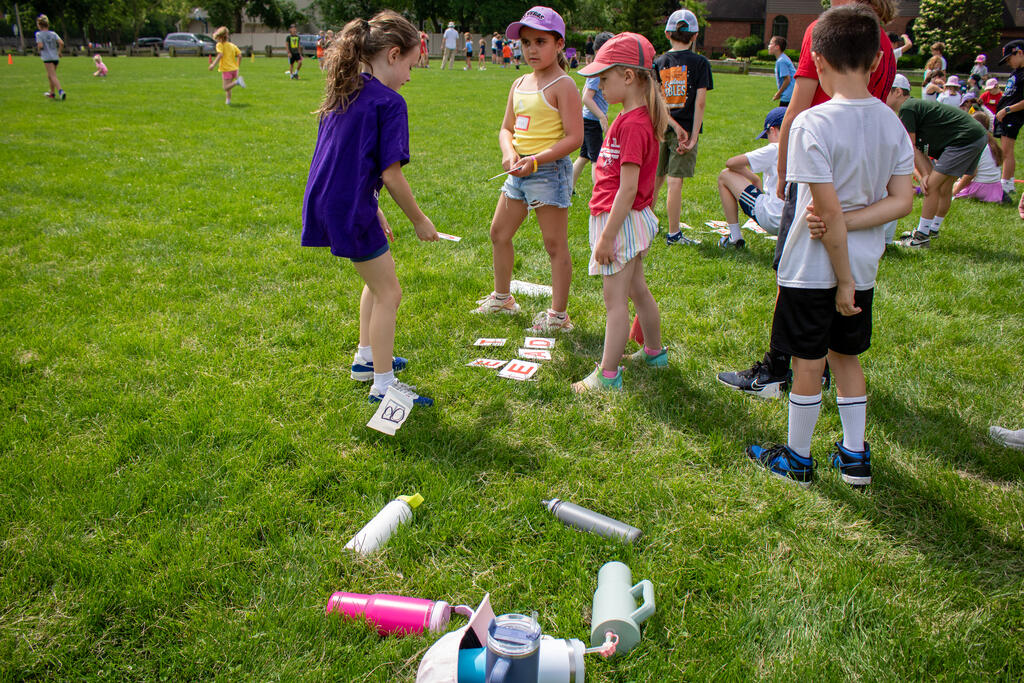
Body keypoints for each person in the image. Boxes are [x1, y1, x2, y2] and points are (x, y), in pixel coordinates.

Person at [746, 5, 914, 489]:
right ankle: (855, 457)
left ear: (817, 61)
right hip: (863, 266)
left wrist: (842, 278)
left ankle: (798, 460)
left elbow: (827, 214)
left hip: (814, 270)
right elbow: (902, 201)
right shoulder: (891, 123)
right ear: (878, 62)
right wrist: (852, 230)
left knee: (808, 362)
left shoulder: (811, 124)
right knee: (847, 356)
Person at [718, 0, 898, 400]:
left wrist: (784, 170)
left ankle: (778, 371)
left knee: (794, 275)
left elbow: (796, 109)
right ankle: (821, 369)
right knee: (843, 287)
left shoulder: (825, 29)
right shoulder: (880, 38)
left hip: (817, 173)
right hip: (862, 182)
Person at [302, 11, 439, 407]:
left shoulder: (346, 89)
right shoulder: (389, 102)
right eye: (411, 66)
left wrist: (372, 205)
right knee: (389, 293)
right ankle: (383, 385)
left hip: (335, 201)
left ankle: (366, 359)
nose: (410, 76)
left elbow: (345, 160)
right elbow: (391, 174)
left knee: (376, 284)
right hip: (350, 206)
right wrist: (419, 220)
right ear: (393, 55)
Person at [472, 6, 582, 333]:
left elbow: (575, 137)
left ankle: (558, 317)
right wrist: (509, 153)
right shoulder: (519, 82)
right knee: (499, 233)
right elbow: (506, 128)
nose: (531, 50)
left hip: (548, 172)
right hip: (518, 171)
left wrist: (536, 160)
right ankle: (503, 298)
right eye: (526, 43)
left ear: (559, 44)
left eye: (540, 42)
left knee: (554, 245)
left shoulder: (564, 85)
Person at [571, 32, 669, 392]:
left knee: (614, 302)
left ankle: (608, 375)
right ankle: (654, 353)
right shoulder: (631, 118)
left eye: (604, 77)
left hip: (619, 222)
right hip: (625, 219)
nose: (598, 85)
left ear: (628, 77)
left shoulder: (634, 124)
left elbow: (628, 189)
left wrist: (607, 237)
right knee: (637, 289)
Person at [888, 75, 988, 248]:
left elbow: (910, 147)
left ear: (897, 92)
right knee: (943, 187)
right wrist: (925, 174)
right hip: (975, 136)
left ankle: (921, 237)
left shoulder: (907, 108)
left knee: (931, 187)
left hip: (965, 138)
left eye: (885, 91)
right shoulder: (914, 107)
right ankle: (932, 229)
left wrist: (925, 177)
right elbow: (919, 150)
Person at [654, 8, 713, 246]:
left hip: (661, 127)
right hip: (686, 130)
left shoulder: (658, 62)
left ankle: (643, 225)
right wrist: (693, 135)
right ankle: (674, 234)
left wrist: (672, 124)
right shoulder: (701, 63)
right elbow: (700, 102)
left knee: (656, 178)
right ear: (695, 36)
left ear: (667, 34)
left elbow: (656, 101)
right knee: (675, 181)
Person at [716, 107, 788, 248]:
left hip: (774, 218)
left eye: (767, 135)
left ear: (773, 130)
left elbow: (731, 163)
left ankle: (734, 237)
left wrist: (754, 179)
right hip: (797, 219)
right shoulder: (802, 148)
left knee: (725, 175)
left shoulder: (775, 148)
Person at [572, 31, 613, 188]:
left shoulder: (595, 69)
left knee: (584, 157)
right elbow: (586, 98)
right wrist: (601, 116)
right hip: (592, 121)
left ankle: (569, 187)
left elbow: (585, 91)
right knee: (597, 159)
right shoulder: (598, 72)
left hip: (588, 119)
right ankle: (599, 193)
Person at [952, 110, 1006, 203]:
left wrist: (954, 192)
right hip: (995, 188)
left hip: (981, 188)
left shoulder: (977, 144)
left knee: (951, 185)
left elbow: (971, 174)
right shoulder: (992, 144)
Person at [995, 40, 1024, 196]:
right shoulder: (1016, 72)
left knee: (1006, 152)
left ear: (1019, 53)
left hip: (1012, 116)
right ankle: (1009, 183)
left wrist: (1007, 110)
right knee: (1005, 150)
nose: (1008, 63)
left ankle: (1005, 184)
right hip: (1006, 116)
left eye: (1009, 59)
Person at [209, 26, 245, 105]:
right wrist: (237, 66)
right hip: (234, 69)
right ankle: (228, 101)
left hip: (227, 69)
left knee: (225, 87)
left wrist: (213, 64)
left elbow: (220, 55)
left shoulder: (220, 45)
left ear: (220, 36)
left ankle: (237, 82)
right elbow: (240, 56)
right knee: (229, 86)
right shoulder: (232, 45)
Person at [34, 15, 66, 100]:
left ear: (40, 25)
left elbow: (40, 46)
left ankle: (61, 91)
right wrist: (59, 52)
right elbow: (61, 43)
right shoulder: (53, 33)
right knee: (50, 75)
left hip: (47, 58)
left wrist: (39, 50)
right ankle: (52, 93)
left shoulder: (39, 34)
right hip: (55, 57)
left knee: (52, 76)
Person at [769, 35, 795, 106]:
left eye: (771, 44)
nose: (769, 46)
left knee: (782, 112)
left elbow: (787, 79)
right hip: (791, 94)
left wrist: (778, 93)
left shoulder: (781, 61)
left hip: (788, 96)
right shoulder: (783, 58)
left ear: (777, 47)